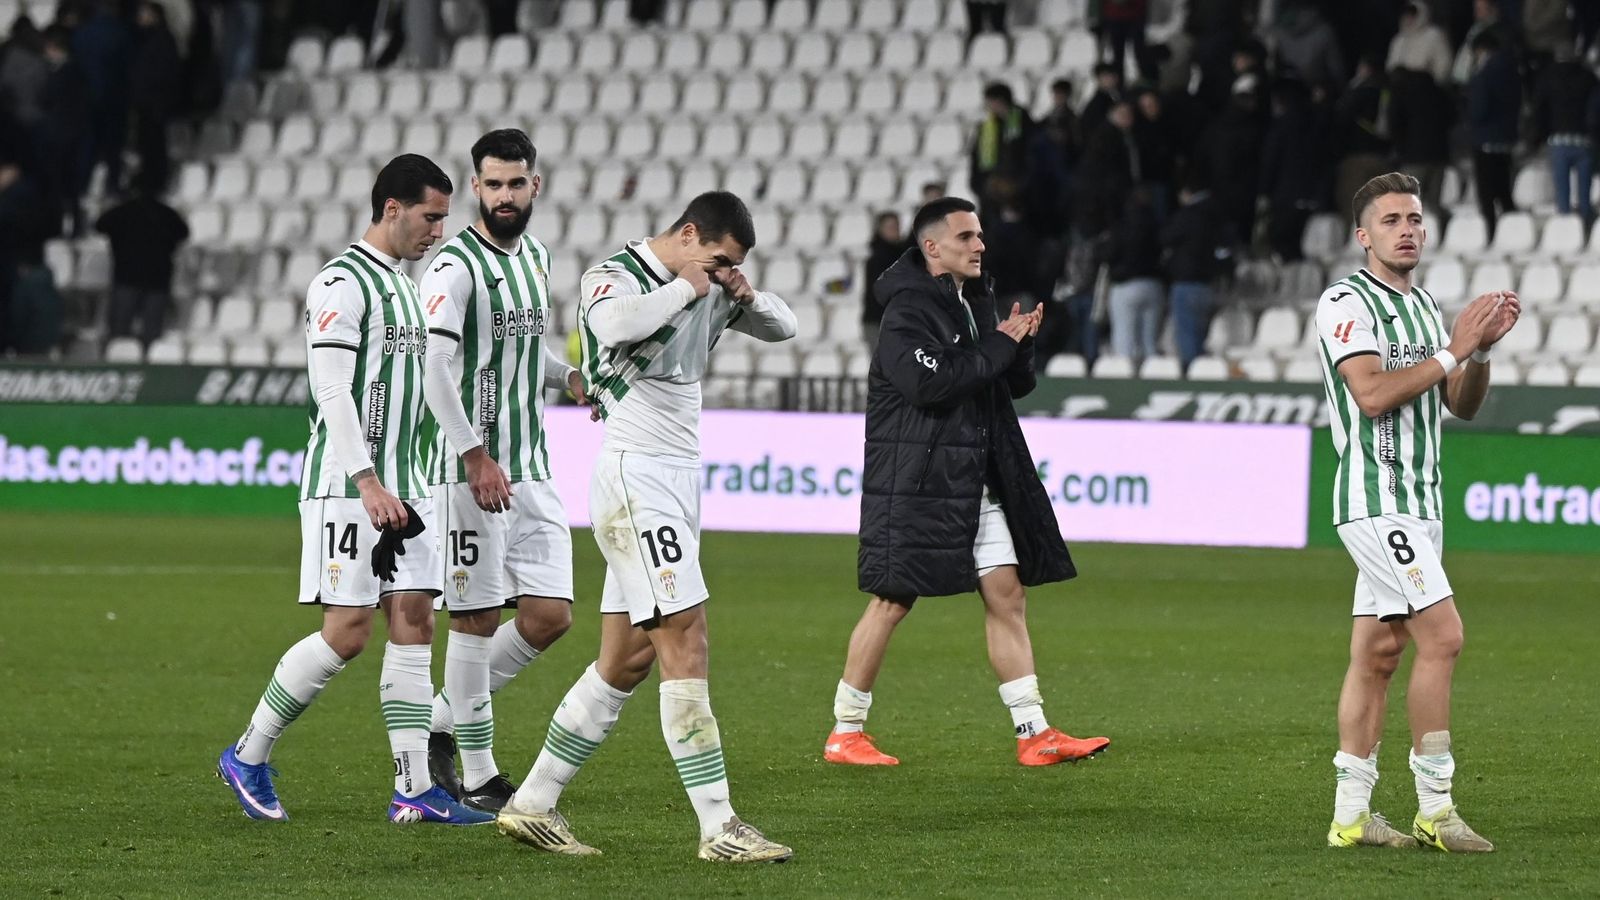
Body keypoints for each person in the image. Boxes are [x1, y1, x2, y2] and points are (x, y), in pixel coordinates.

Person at [496, 192, 798, 862]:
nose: (721, 272)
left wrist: (745, 294)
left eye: (731, 265)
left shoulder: (716, 282)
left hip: (675, 481)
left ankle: (534, 802)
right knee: (686, 635)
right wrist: (686, 287)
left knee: (626, 659)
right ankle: (719, 827)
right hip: (637, 478)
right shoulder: (616, 275)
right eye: (718, 258)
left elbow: (785, 328)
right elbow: (612, 327)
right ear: (688, 234)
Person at [216, 155, 494, 827]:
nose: (439, 231)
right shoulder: (341, 284)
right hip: (348, 488)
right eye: (430, 217)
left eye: (444, 219)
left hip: (409, 488)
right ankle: (248, 754)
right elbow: (332, 390)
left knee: (416, 620)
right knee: (346, 634)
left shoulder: (405, 287)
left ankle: (414, 789)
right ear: (392, 209)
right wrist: (366, 480)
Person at [823, 196, 1109, 768]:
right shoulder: (906, 312)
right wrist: (1001, 343)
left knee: (1007, 594)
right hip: (918, 480)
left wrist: (1020, 345)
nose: (980, 245)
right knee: (892, 600)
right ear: (932, 247)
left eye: (979, 235)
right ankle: (845, 732)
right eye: (966, 237)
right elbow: (932, 384)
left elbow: (1003, 382)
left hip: (974, 476)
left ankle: (1033, 732)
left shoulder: (974, 299)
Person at [1316, 172, 1519, 852]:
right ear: (1363, 235)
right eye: (1391, 220)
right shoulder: (1346, 301)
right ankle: (1436, 808)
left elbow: (1460, 403)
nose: (1406, 230)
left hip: (1421, 505)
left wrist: (1477, 352)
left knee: (1377, 655)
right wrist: (1454, 348)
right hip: (1376, 502)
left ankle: (1351, 818)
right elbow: (1372, 394)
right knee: (1444, 637)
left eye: (1414, 219)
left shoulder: (1427, 306)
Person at [419, 129, 587, 812]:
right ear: (476, 188)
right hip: (470, 471)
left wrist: (567, 375)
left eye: (516, 183)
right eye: (493, 184)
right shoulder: (454, 266)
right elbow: (434, 367)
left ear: (534, 185)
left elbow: (523, 349)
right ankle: (480, 773)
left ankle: (438, 721)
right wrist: (472, 454)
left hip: (531, 467)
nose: (506, 195)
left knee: (549, 616)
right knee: (476, 617)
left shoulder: (536, 257)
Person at [95, 171, 189, 349]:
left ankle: (120, 357)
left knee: (119, 333)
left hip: (127, 277)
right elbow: (183, 233)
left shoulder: (122, 212)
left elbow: (100, 225)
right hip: (157, 278)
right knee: (151, 335)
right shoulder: (166, 214)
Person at [1465, 29, 1520, 241]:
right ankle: (1513, 233)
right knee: (1505, 191)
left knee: (1487, 194)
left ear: (1481, 50)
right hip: (1506, 139)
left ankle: (1491, 235)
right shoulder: (1512, 71)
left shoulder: (1484, 74)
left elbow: (1479, 109)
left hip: (1485, 139)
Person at [969, 82, 1034, 218]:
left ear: (999, 101)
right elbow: (976, 157)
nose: (988, 106)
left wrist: (1020, 184)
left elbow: (1029, 155)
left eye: (990, 102)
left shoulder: (1023, 123)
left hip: (1018, 190)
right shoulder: (987, 127)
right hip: (992, 189)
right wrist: (980, 185)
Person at [862, 210, 908, 349]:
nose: (895, 230)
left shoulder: (900, 254)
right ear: (880, 229)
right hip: (879, 322)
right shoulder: (878, 258)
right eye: (890, 227)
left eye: (896, 226)